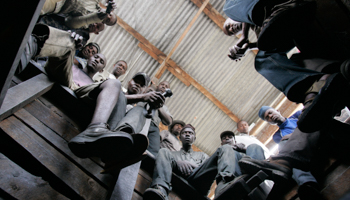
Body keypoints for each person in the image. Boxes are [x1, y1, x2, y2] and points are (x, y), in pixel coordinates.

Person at [20, 24, 165, 163]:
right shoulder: (75, 65)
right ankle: (21, 54)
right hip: (66, 77)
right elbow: (65, 59)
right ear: (88, 57)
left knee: (115, 85)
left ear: (102, 70)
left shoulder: (100, 83)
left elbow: (110, 93)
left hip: (84, 92)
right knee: (69, 40)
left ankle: (106, 135)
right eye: (96, 57)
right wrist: (74, 41)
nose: (97, 60)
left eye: (101, 61)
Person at [143, 125, 266, 200]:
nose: (187, 134)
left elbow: (210, 169)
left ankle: (225, 182)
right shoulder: (172, 154)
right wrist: (178, 162)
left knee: (225, 148)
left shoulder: (202, 155)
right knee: (163, 151)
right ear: (179, 137)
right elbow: (162, 159)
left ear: (194, 138)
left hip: (199, 180)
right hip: (179, 176)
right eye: (184, 133)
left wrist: (192, 165)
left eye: (190, 133)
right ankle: (160, 189)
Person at [258, 106, 322, 199]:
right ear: (269, 123)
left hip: (315, 141)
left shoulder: (297, 115)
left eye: (270, 113)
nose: (270, 116)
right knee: (290, 157)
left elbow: (311, 124)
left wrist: (291, 136)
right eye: (267, 117)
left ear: (277, 111)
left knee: (288, 151)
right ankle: (308, 186)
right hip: (301, 155)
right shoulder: (277, 136)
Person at [41, 0, 117, 29]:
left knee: (40, 6)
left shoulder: (88, 22)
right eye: (110, 14)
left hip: (59, 4)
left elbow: (69, 22)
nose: (107, 15)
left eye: (107, 20)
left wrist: (95, 17)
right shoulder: (96, 1)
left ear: (103, 22)